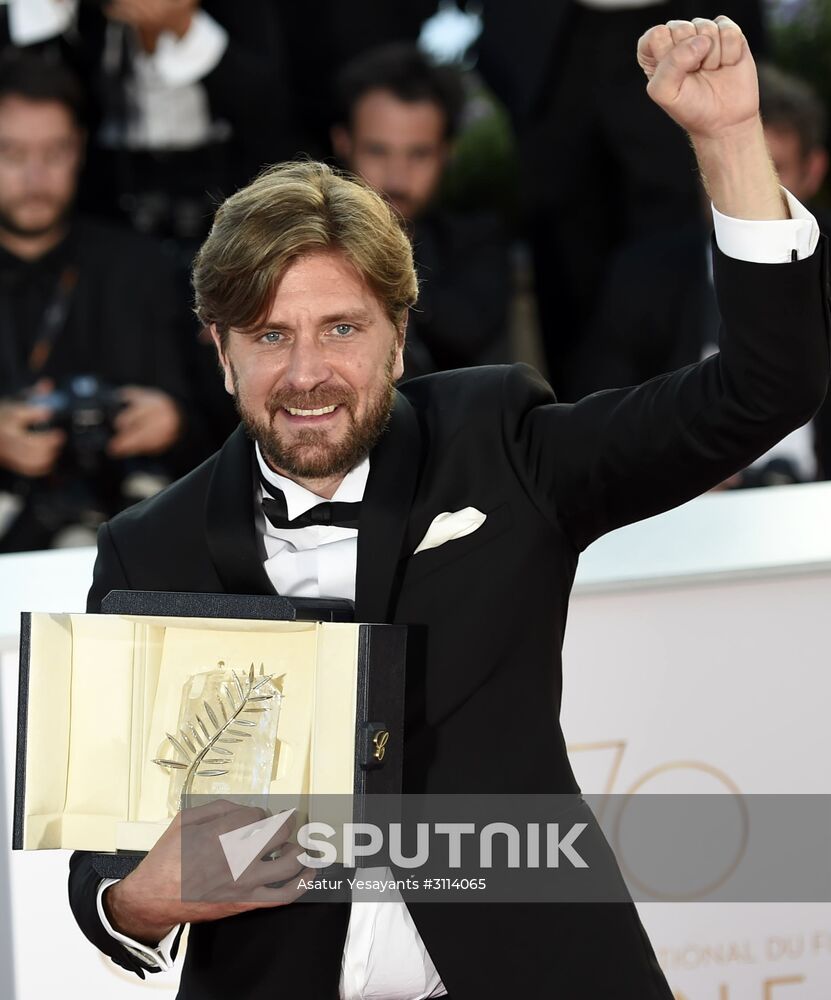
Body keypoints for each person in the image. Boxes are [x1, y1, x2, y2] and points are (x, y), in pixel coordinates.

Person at [67, 18, 829, 999]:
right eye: (269, 334)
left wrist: (729, 138)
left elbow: (765, 389)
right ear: (220, 349)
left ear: (397, 334)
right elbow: (99, 856)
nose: (307, 373)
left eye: (342, 327)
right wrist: (140, 900)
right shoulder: (146, 550)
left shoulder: (498, 441)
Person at [573, 61, 830, 485]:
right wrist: (679, 466)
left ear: (813, 171)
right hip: (684, 510)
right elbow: (599, 416)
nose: (744, 191)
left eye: (769, 171)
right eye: (724, 168)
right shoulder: (643, 275)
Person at [0, 53, 191, 552]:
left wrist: (174, 417)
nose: (35, 176)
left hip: (122, 527)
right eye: (12, 154)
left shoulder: (141, 266)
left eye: (54, 152)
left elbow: (224, 402)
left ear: (80, 149)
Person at [331, 42, 511, 377]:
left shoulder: (475, 243)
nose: (397, 177)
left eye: (418, 154)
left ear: (447, 153)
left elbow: (469, 333)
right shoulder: (295, 248)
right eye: (378, 151)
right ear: (344, 144)